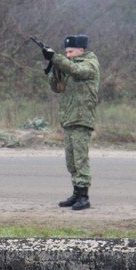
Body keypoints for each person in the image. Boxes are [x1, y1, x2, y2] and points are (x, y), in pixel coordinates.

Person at [41, 34, 100, 211]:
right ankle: (76, 193)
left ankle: (84, 196)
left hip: (82, 118)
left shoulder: (90, 64)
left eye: (71, 51)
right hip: (69, 118)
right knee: (71, 160)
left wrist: (56, 58)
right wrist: (54, 66)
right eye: (66, 51)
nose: (68, 54)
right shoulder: (68, 64)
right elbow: (56, 87)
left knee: (80, 159)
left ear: (81, 50)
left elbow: (77, 71)